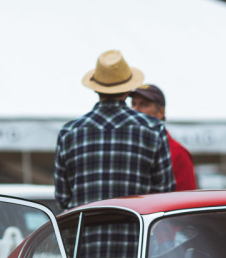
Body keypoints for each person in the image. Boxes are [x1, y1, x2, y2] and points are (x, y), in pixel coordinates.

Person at [54, 50, 174, 212]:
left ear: (96, 90)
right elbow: (165, 192)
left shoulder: (69, 132)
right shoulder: (153, 129)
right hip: (136, 235)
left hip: (85, 234)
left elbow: (62, 198)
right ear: (127, 90)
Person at [130, 84, 196, 191]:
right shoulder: (127, 145)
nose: (135, 109)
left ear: (161, 112)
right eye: (133, 104)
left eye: (144, 105)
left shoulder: (178, 153)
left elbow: (187, 200)